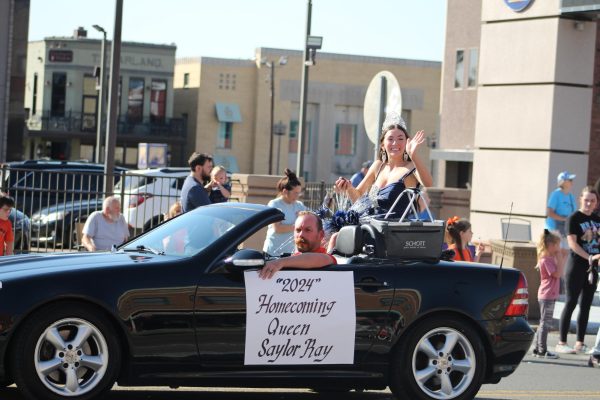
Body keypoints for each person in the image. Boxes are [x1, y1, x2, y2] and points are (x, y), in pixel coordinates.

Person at [334, 112, 433, 217]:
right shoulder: (378, 166)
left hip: (393, 230)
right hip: (369, 225)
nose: (395, 143)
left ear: (406, 143)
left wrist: (413, 156)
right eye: (390, 139)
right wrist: (348, 188)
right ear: (382, 145)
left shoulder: (410, 167)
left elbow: (428, 183)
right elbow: (358, 197)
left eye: (400, 139)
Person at [556, 186, 600, 354]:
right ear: (580, 199)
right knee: (571, 302)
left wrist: (595, 259)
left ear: (596, 203)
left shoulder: (597, 220)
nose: (589, 203)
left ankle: (580, 342)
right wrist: (589, 257)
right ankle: (562, 341)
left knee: (586, 305)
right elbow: (573, 244)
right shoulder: (573, 218)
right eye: (586, 200)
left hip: (593, 268)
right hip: (576, 266)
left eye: (593, 200)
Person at [259, 211, 337, 279]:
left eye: (308, 230)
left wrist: (280, 262)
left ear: (321, 235)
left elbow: (309, 259)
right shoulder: (293, 258)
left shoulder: (327, 259)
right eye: (298, 230)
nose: (301, 235)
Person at [532, 229, 563, 359]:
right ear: (550, 245)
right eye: (557, 244)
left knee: (543, 322)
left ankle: (538, 347)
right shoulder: (546, 260)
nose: (559, 247)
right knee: (546, 322)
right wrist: (560, 259)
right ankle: (542, 350)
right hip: (547, 295)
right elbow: (557, 274)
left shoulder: (548, 258)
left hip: (549, 294)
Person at [263, 169, 307, 256]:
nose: (297, 196)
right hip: (272, 252)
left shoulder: (299, 205)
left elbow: (308, 223)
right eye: (295, 193)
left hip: (291, 253)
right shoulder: (274, 204)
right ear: (285, 191)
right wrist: (297, 227)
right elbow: (277, 228)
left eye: (299, 193)